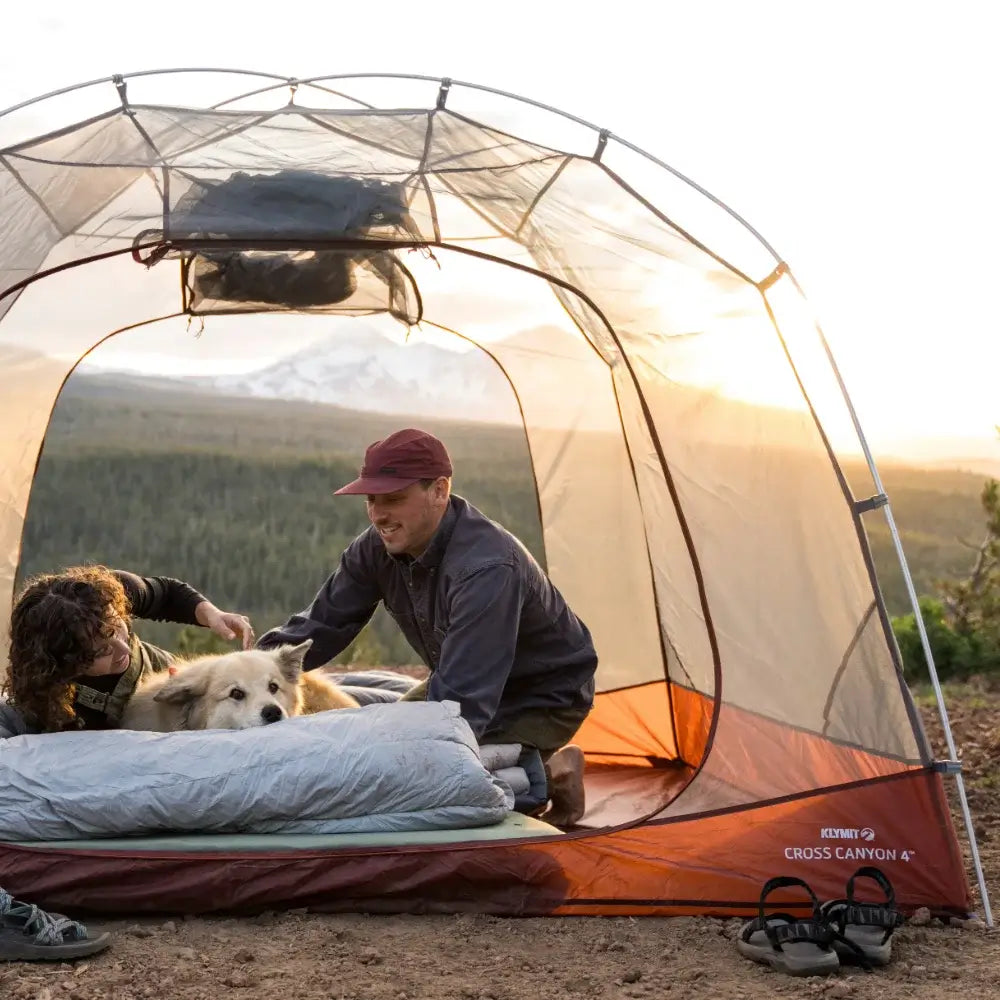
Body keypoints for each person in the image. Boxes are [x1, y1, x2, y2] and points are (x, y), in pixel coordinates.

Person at [257, 428, 598, 826]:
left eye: (394, 499)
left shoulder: (486, 568)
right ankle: (522, 761)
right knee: (380, 751)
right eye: (371, 500)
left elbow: (461, 708)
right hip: (461, 676)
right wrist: (248, 674)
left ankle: (549, 773)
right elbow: (321, 626)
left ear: (439, 490)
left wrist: (414, 759)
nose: (378, 514)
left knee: (415, 786)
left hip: (542, 694)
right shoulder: (376, 548)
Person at [1, 565, 254, 734]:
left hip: (169, 676)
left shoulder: (97, 596)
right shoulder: (51, 709)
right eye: (101, 652)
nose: (123, 648)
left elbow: (166, 594)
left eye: (116, 628)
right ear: (66, 666)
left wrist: (212, 615)